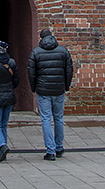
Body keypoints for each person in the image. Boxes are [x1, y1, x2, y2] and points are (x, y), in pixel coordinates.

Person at [27, 27, 74, 161]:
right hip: (59, 90)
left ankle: (50, 150)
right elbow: (69, 70)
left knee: (46, 119)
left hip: (43, 91)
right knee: (58, 118)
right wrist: (66, 86)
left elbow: (31, 72)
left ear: (41, 38)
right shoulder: (63, 51)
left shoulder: (36, 52)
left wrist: (34, 87)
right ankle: (59, 147)